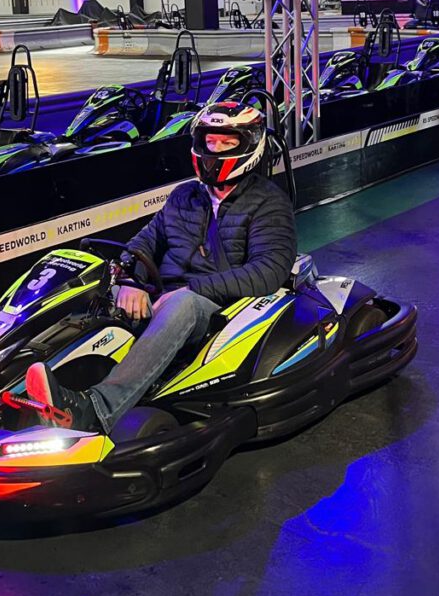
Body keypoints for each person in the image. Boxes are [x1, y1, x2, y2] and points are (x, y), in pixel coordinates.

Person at [25, 99, 298, 434]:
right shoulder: (185, 196)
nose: (215, 150)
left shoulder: (269, 202)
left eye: (227, 142)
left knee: (182, 304)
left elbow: (269, 272)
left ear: (249, 146)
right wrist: (129, 282)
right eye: (210, 141)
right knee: (89, 285)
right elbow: (143, 243)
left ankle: (96, 409)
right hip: (167, 295)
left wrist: (190, 290)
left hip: (219, 308)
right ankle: (12, 381)